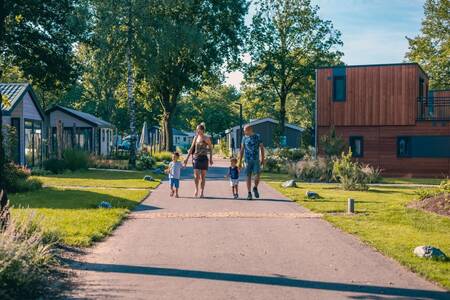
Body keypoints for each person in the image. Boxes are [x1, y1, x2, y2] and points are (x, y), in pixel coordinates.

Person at [184, 123, 213, 198]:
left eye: (198, 129)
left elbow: (210, 148)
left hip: (204, 158)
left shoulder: (206, 138)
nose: (197, 131)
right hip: (196, 158)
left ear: (202, 130)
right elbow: (191, 148)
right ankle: (196, 189)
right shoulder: (195, 138)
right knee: (196, 176)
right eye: (196, 129)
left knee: (203, 176)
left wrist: (211, 159)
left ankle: (202, 192)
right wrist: (186, 159)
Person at [238, 125, 265, 200]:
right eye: (244, 130)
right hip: (247, 160)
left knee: (257, 175)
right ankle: (249, 193)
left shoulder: (257, 136)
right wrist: (239, 162)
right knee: (248, 176)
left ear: (250, 130)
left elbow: (262, 148)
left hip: (256, 159)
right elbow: (242, 150)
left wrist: (263, 159)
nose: (244, 132)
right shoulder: (244, 138)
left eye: (245, 130)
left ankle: (255, 187)